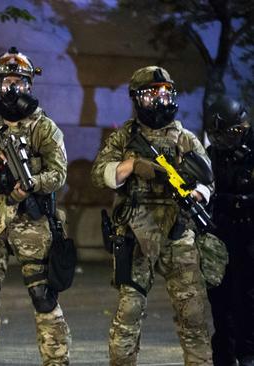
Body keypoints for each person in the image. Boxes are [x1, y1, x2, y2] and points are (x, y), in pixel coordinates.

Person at [0, 47, 71, 365]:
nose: (12, 88)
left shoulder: (43, 127)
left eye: (18, 82)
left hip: (31, 218)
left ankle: (57, 360)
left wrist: (33, 184)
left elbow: (59, 173)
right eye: (6, 82)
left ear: (30, 85)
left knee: (43, 296)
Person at [90, 66, 213, 365]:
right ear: (137, 98)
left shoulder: (185, 138)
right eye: (152, 94)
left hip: (178, 232)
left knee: (193, 314)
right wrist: (131, 166)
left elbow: (208, 182)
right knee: (129, 313)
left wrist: (193, 194)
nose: (160, 100)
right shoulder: (124, 138)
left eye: (165, 93)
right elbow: (98, 174)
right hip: (135, 232)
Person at [205, 96, 254, 366]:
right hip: (221, 234)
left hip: (249, 233)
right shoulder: (213, 155)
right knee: (221, 301)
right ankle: (224, 355)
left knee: (247, 298)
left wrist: (240, 201)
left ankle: (247, 354)